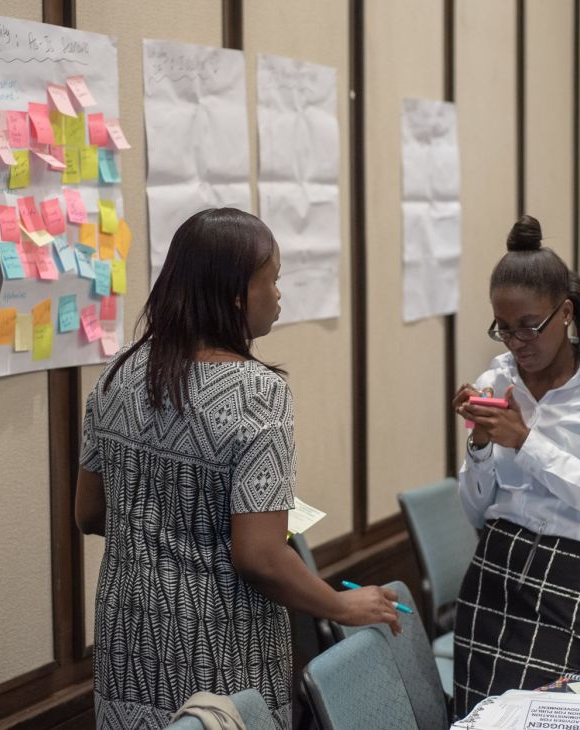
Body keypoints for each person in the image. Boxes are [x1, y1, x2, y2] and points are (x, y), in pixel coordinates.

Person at [75, 208, 400, 729]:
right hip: (220, 646)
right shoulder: (257, 394)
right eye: (271, 281)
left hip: (128, 638)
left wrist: (164, 521)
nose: (278, 295)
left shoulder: (116, 376)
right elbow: (260, 556)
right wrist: (340, 607)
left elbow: (90, 513)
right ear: (234, 296)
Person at [451, 215, 580, 715]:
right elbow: (477, 512)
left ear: (564, 313)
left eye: (529, 326)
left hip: (571, 573)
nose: (517, 342)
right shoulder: (495, 381)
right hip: (494, 571)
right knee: (483, 718)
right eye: (504, 328)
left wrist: (527, 442)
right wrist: (478, 445)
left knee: (549, 716)